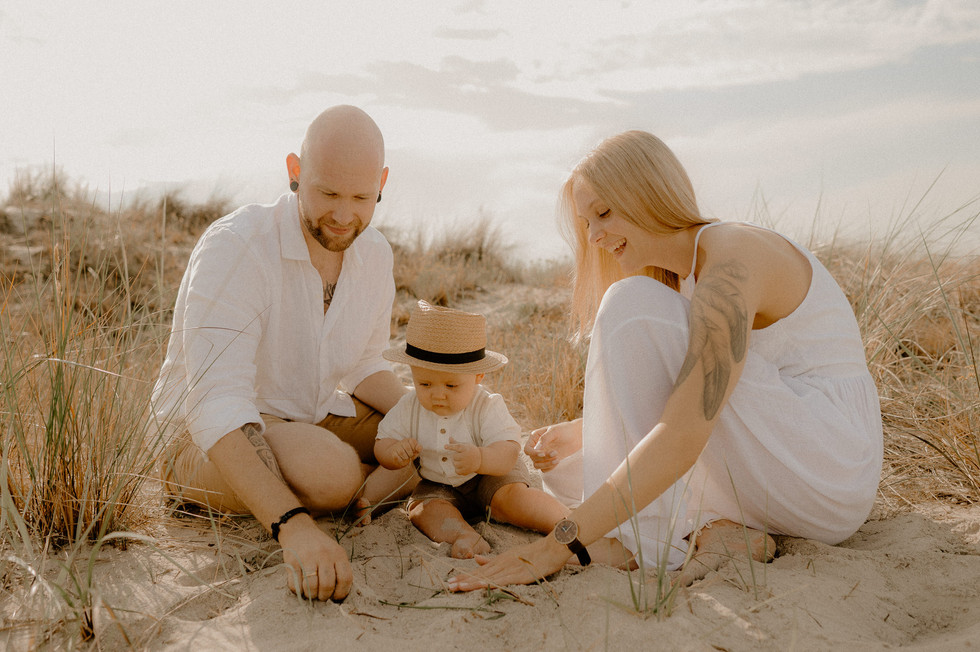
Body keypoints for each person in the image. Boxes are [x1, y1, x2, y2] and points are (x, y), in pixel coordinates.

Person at [447, 130, 883, 591]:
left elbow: (683, 431)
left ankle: (641, 542)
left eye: (603, 213)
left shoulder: (732, 258)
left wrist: (554, 548)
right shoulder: (689, 277)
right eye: (586, 222)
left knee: (630, 304)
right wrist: (582, 430)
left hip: (829, 466)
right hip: (802, 464)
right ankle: (727, 534)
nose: (594, 236)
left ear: (647, 193)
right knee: (574, 469)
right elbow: (715, 397)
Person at [151, 105, 415, 602]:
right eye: (328, 193)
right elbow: (216, 403)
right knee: (329, 471)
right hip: (197, 437)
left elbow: (363, 363)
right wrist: (294, 527)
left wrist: (417, 417)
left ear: (381, 183)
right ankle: (347, 490)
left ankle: (362, 489)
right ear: (295, 172)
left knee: (428, 433)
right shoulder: (237, 245)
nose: (343, 214)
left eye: (360, 197)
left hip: (303, 417)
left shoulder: (374, 253)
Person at [375, 301, 569, 558]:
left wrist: (480, 458)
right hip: (439, 484)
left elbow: (508, 452)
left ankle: (566, 522)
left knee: (511, 501)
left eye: (451, 386)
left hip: (493, 475)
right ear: (411, 373)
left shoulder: (486, 405)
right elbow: (383, 441)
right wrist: (392, 453)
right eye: (425, 383)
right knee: (423, 509)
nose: (438, 395)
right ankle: (464, 535)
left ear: (478, 377)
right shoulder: (409, 406)